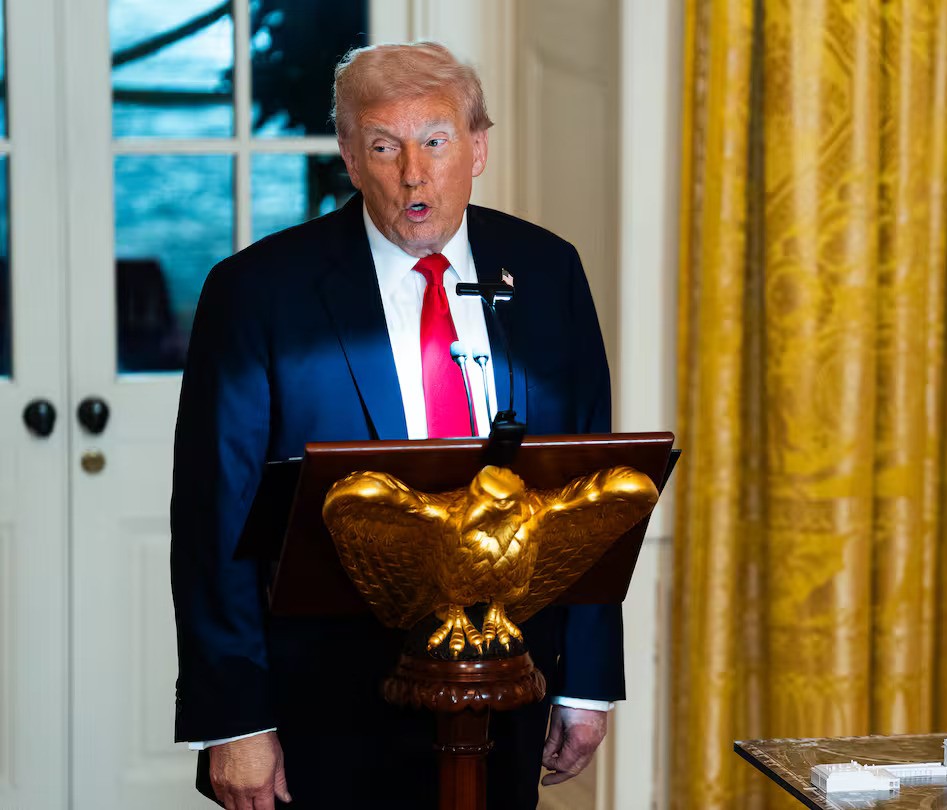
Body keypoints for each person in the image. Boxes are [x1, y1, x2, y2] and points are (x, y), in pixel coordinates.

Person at [170, 42, 621, 810]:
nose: (413, 172)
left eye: (436, 141)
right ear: (350, 156)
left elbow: (585, 489)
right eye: (384, 145)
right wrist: (235, 719)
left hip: (507, 683)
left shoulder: (547, 271)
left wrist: (585, 684)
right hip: (324, 702)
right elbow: (215, 517)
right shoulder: (257, 292)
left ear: (477, 148)